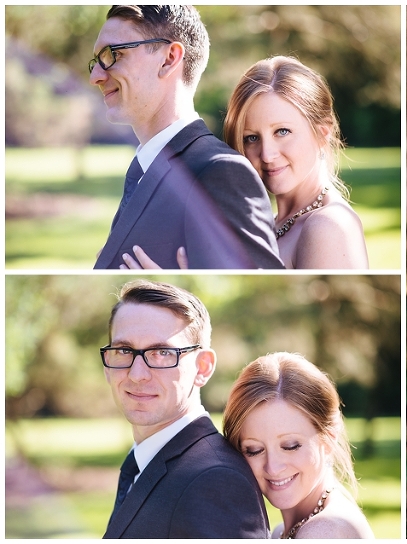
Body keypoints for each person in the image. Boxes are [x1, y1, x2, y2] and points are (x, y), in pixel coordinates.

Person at [89, 5, 283, 269]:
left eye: (113, 54)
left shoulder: (221, 172)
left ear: (169, 59)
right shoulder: (141, 169)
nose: (95, 76)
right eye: (95, 62)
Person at [101, 279, 270, 538]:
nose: (137, 374)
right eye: (124, 350)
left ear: (203, 367)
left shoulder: (215, 481)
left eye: (161, 353)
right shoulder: (144, 460)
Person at [223, 56, 369, 269]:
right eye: (251, 138)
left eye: (282, 131)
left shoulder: (327, 226)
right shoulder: (272, 225)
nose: (267, 155)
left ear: (322, 134)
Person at [223, 352, 375, 539]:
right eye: (254, 450)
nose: (273, 467)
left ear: (328, 438)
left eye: (291, 446)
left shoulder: (325, 531)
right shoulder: (281, 532)